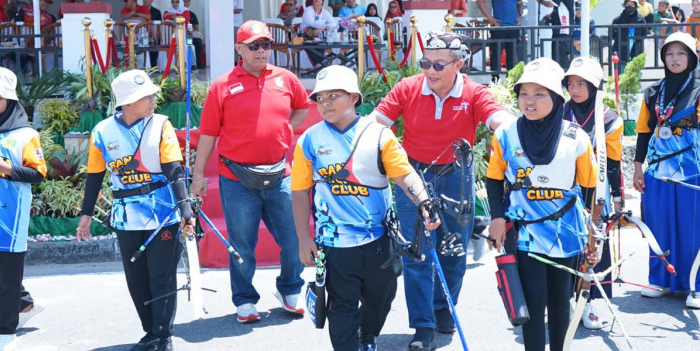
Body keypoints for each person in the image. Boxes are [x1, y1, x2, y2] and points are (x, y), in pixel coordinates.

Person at [373, 31, 512, 350]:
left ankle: (443, 308)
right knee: (416, 251)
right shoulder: (408, 87)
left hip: (456, 175)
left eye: (439, 64)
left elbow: (497, 117)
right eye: (425, 63)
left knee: (454, 250)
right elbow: (377, 122)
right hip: (412, 174)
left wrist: (516, 129)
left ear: (459, 64)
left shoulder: (474, 92)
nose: (430, 70)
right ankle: (422, 325)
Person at [291, 65, 440, 351]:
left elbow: (404, 174)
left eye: (333, 95)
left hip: (379, 240)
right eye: (320, 98)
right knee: (342, 305)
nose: (325, 103)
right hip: (333, 243)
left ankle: (368, 334)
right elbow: (299, 191)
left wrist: (423, 201)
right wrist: (304, 238)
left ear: (354, 98)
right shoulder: (309, 140)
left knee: (381, 297)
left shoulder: (379, 135)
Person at [191, 20, 309, 323]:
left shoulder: (286, 79)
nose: (261, 51)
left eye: (266, 44)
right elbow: (207, 133)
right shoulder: (222, 85)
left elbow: (302, 107)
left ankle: (290, 289)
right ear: (239, 49)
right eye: (254, 45)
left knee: (294, 238)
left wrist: (286, 130)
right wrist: (197, 175)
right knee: (242, 245)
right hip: (237, 179)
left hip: (280, 174)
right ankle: (245, 300)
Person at [76, 70, 193, 351]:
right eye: (145, 97)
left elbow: (175, 171)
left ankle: (163, 335)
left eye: (152, 95)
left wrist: (185, 208)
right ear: (127, 103)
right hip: (126, 216)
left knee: (161, 274)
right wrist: (86, 215)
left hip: (163, 213)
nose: (153, 100)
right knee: (136, 277)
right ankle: (149, 331)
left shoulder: (161, 125)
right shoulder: (103, 132)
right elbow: (94, 176)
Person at [486, 57, 598, 351]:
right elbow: (494, 179)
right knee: (532, 302)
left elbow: (588, 189)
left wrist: (591, 233)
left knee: (561, 302)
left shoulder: (577, 138)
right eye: (524, 93)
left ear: (557, 97)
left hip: (566, 233)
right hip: (525, 234)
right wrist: (497, 218)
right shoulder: (505, 134)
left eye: (539, 94)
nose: (529, 102)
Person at [632, 32, 700, 309]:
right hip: (658, 173)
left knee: (692, 228)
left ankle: (695, 286)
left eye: (681, 54)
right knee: (658, 227)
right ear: (663, 58)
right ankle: (661, 280)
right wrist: (638, 168)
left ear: (692, 58)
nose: (675, 59)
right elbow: (643, 134)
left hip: (692, 174)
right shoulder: (652, 92)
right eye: (670, 54)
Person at [563, 57, 624, 329]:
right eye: (570, 83)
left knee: (592, 247)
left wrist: (618, 195)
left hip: (594, 192)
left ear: (594, 85)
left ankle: (587, 302)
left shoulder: (609, 118)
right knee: (562, 245)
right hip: (561, 190)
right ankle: (562, 299)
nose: (574, 89)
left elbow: (614, 161)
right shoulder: (557, 111)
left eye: (581, 83)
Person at [0, 68, 47, 351]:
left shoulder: (25, 135)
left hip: (9, 215)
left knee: (6, 273)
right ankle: (25, 302)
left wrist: (5, 168)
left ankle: (6, 330)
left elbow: (38, 174)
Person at [477, 0, 524, 76]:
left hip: (513, 27)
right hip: (498, 27)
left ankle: (510, 80)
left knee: (512, 54)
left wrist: (520, 16)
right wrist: (490, 18)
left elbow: (520, 4)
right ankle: (495, 79)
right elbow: (480, 1)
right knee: (496, 54)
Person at [536, 0, 575, 69]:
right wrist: (551, 16)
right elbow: (559, 7)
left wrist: (541, 1)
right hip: (559, 28)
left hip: (563, 29)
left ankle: (565, 79)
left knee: (561, 56)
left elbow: (551, 4)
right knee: (556, 56)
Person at [611, 0, 646, 71]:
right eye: (628, 4)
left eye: (632, 4)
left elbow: (644, 34)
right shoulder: (618, 20)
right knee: (621, 78)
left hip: (636, 53)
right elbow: (612, 34)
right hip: (621, 53)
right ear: (624, 5)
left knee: (635, 78)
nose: (629, 6)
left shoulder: (641, 20)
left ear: (636, 6)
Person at [183, 0, 205, 70]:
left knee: (198, 42)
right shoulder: (178, 13)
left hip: (189, 34)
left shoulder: (192, 14)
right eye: (183, 1)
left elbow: (196, 28)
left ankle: (197, 63)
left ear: (189, 3)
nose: (185, 3)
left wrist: (189, 32)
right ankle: (188, 64)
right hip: (180, 35)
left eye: (187, 2)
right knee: (189, 44)